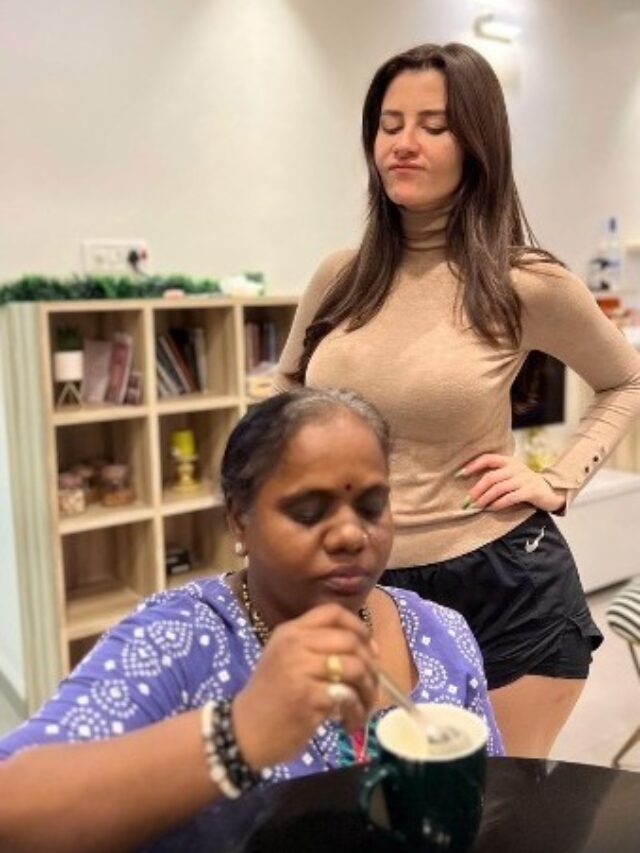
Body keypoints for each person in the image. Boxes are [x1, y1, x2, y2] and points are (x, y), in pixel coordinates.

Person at [273, 42, 640, 758]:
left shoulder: (523, 282)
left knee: (493, 801)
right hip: (362, 577)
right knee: (377, 789)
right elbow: (290, 384)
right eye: (389, 124)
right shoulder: (340, 277)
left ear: (477, 143)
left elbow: (626, 379)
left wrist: (559, 479)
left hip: (500, 582)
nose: (403, 143)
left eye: (433, 126)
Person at [0, 388, 502, 852]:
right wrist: (238, 734)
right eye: (309, 512)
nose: (351, 535)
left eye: (371, 507)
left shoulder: (441, 634)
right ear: (239, 518)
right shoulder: (177, 641)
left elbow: (498, 797)